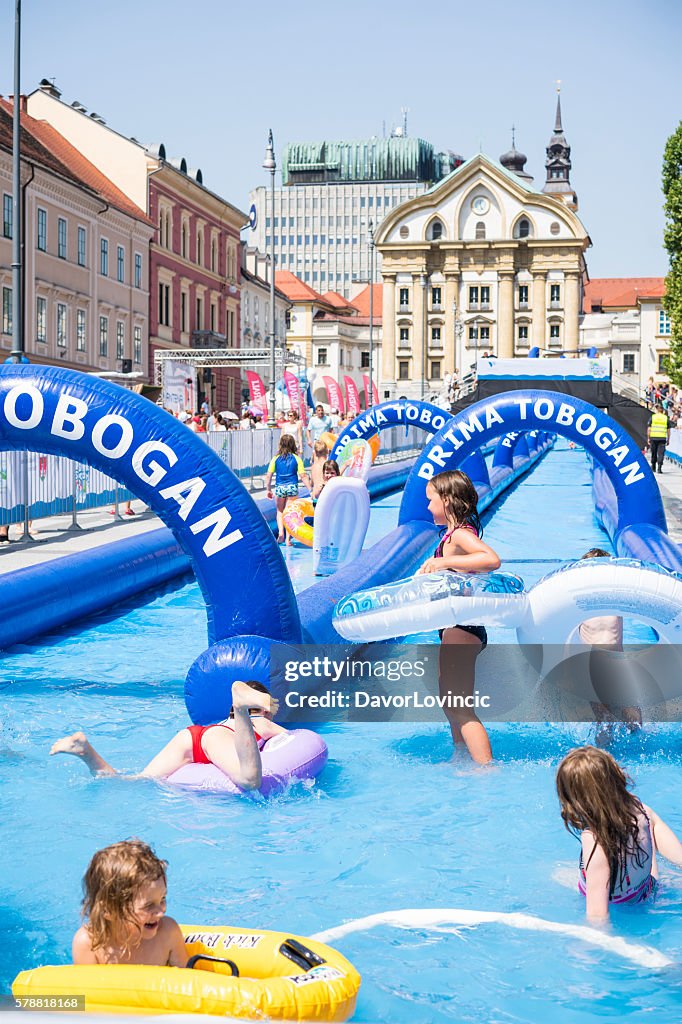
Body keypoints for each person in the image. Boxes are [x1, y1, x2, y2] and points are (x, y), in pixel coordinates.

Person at [51, 681, 283, 792]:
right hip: (217, 739)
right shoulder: (261, 721)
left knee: (136, 781)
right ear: (263, 708)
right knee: (250, 781)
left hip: (191, 737)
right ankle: (240, 702)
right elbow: (294, 739)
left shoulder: (223, 721)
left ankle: (84, 750)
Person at [417, 470, 501, 765]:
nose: (427, 507)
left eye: (431, 500)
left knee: (460, 705)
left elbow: (491, 560)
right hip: (455, 627)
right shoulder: (451, 536)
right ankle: (461, 756)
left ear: (448, 501)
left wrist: (444, 561)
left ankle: (485, 768)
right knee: (450, 701)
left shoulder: (461, 534)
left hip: (462, 627)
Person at [556, 746, 682, 922]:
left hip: (624, 904)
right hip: (647, 887)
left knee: (554, 873)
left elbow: (597, 914)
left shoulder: (594, 839)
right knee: (650, 820)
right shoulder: (637, 808)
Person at [71, 839, 187, 966]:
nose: (160, 912)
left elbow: (188, 981)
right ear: (108, 910)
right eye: (148, 905)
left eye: (162, 899)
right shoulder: (89, 944)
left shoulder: (168, 933)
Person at [578, 549, 642, 741]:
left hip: (618, 664)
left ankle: (632, 744)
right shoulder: (579, 601)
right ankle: (605, 757)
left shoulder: (615, 597)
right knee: (604, 719)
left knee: (634, 719)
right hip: (593, 666)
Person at [265, 434, 311, 544]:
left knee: (280, 511)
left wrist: (268, 489)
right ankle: (288, 539)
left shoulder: (275, 459)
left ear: (280, 444)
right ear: (293, 445)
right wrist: (310, 489)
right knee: (290, 512)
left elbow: (269, 475)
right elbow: (303, 475)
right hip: (292, 487)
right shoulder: (297, 459)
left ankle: (280, 534)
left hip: (280, 487)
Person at [646, 402, 670, 474]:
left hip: (654, 438)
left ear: (657, 409)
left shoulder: (653, 417)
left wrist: (648, 438)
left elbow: (649, 429)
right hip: (662, 438)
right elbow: (668, 430)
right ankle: (659, 468)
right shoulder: (666, 418)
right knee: (661, 453)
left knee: (654, 452)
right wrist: (668, 439)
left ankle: (653, 467)